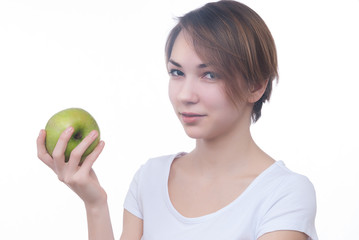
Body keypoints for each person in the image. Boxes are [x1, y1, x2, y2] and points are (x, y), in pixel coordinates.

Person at [36, 1, 318, 239]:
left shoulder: (284, 194)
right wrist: (94, 203)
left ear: (255, 85)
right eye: (177, 72)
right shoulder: (150, 178)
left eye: (209, 75)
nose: (185, 95)